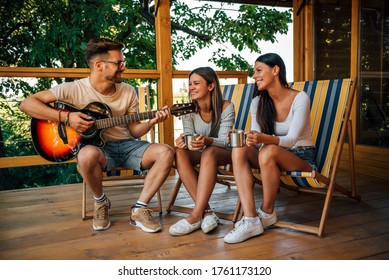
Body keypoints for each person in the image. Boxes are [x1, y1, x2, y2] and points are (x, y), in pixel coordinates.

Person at [20, 38, 174, 233]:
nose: (123, 67)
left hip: (127, 146)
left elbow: (134, 130)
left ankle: (140, 208)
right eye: (118, 63)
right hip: (99, 151)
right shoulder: (72, 89)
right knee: (85, 155)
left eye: (122, 63)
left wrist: (151, 122)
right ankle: (101, 202)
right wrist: (66, 117)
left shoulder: (128, 91)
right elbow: (27, 104)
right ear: (99, 65)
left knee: (166, 152)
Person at [223, 53, 318, 244]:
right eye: (254, 72)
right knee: (239, 147)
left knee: (268, 150)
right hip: (269, 155)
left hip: (300, 155)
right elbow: (258, 142)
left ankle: (267, 212)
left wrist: (263, 139)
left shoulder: (300, 98)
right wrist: (246, 136)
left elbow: (291, 140)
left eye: (259, 70)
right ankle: (250, 218)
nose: (254, 76)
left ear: (275, 71)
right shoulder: (258, 101)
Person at [169, 67, 235, 236]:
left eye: (196, 83)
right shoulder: (188, 110)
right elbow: (190, 137)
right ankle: (206, 212)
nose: (191, 87)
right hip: (203, 152)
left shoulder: (226, 107)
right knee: (179, 152)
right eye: (190, 84)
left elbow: (226, 140)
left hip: (224, 153)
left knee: (210, 152)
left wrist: (208, 141)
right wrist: (184, 142)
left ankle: (195, 215)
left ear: (211, 86)